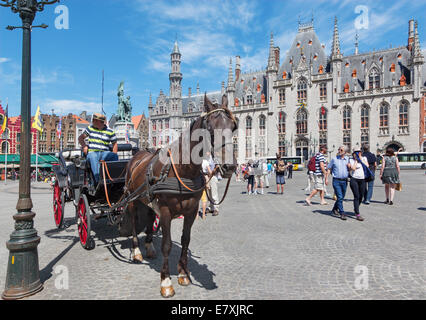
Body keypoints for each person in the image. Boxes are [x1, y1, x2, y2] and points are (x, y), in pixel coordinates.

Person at [78, 113, 118, 185]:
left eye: (94, 120)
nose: (93, 121)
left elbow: (115, 144)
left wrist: (114, 153)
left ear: (100, 122)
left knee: (114, 156)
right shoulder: (90, 129)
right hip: (93, 152)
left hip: (105, 153)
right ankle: (98, 181)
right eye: (93, 120)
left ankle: (115, 178)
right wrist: (84, 146)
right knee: (94, 156)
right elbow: (80, 138)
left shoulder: (110, 131)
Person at [327, 146, 351, 220]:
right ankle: (342, 212)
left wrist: (350, 167)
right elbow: (329, 168)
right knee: (340, 197)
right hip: (336, 180)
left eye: (341, 150)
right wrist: (326, 178)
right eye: (339, 149)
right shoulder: (334, 159)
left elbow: (350, 168)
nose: (339, 151)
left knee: (342, 197)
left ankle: (334, 209)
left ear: (345, 152)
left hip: (344, 180)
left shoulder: (348, 159)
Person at [348, 149, 368, 221]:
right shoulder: (351, 160)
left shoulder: (364, 158)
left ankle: (356, 207)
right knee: (356, 196)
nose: (357, 154)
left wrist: (361, 159)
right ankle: (357, 213)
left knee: (361, 196)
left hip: (362, 180)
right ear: (353, 153)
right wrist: (356, 160)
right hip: (354, 180)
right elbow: (353, 168)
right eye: (356, 153)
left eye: (359, 152)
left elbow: (367, 165)